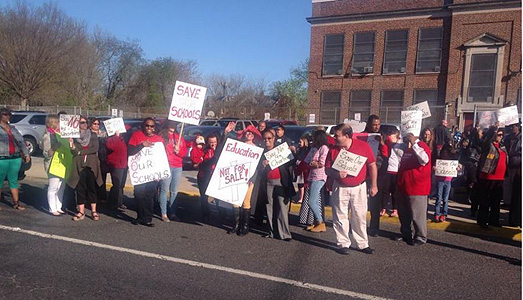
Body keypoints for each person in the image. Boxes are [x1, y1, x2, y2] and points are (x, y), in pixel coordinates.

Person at [325, 123, 377, 255]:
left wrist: (374, 184)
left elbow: (372, 165)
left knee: (359, 215)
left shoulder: (363, 147)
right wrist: (336, 174)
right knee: (340, 215)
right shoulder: (333, 150)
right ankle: (343, 243)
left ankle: (362, 244)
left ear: (346, 136)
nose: (334, 138)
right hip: (340, 187)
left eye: (337, 135)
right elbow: (327, 169)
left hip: (359, 187)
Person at [395, 132, 432, 246]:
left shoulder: (421, 146)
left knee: (417, 214)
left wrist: (414, 144)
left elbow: (424, 159)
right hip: (403, 186)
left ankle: (420, 236)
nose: (408, 137)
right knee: (404, 213)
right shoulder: (407, 149)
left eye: (410, 135)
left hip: (417, 187)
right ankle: (406, 233)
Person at [259, 129, 296, 241]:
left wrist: (293, 152)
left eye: (269, 138)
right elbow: (257, 169)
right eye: (265, 138)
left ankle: (285, 234)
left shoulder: (280, 150)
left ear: (274, 139)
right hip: (267, 182)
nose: (267, 140)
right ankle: (271, 232)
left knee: (282, 208)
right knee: (268, 207)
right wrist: (262, 164)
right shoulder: (261, 152)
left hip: (280, 181)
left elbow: (291, 162)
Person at [127, 118, 164, 227]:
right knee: (138, 194)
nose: (149, 128)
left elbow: (161, 158)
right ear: (143, 126)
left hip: (152, 173)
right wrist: (141, 145)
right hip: (140, 173)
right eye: (147, 125)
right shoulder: (136, 135)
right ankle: (139, 216)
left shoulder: (158, 139)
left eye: (152, 126)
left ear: (154, 128)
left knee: (149, 196)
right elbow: (130, 151)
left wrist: (159, 173)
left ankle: (147, 218)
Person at [68, 116, 103, 221]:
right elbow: (74, 152)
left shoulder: (92, 135)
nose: (83, 124)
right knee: (80, 188)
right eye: (81, 123)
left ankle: (94, 211)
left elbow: (95, 148)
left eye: (85, 122)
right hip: (79, 164)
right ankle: (81, 211)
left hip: (91, 164)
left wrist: (80, 152)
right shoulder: (74, 136)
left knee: (92, 187)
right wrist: (71, 144)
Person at [229, 124, 262, 236]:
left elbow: (257, 166)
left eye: (251, 133)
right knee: (235, 201)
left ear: (254, 136)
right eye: (247, 132)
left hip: (249, 179)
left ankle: (245, 226)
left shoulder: (257, 149)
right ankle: (236, 225)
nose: (249, 134)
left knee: (246, 201)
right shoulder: (238, 146)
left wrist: (252, 178)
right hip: (237, 177)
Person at [476, 125, 508, 228]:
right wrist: (494, 128)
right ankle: (482, 220)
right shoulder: (488, 145)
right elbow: (486, 139)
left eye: (502, 135)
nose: (501, 137)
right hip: (488, 177)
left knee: (496, 201)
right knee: (485, 200)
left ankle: (494, 220)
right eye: (499, 135)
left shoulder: (502, 146)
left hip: (500, 178)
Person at [0, 107, 30, 210]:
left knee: (13, 181)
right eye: (5, 114)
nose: (8, 116)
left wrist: (26, 154)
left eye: (9, 114)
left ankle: (16, 203)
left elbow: (21, 141)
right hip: (2, 158)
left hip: (15, 158)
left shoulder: (12, 128)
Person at [364, 115, 389, 236]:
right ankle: (360, 226)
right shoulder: (363, 135)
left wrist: (382, 143)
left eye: (378, 124)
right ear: (369, 124)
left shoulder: (383, 136)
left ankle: (374, 227)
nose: (376, 127)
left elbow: (386, 155)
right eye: (374, 124)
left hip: (378, 174)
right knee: (361, 202)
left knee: (375, 203)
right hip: (363, 173)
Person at [158, 120, 187, 222]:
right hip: (166, 166)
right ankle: (164, 213)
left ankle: (172, 212)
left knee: (174, 191)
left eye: (173, 129)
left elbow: (184, 152)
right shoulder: (161, 138)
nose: (172, 131)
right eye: (170, 130)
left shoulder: (179, 138)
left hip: (178, 166)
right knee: (164, 190)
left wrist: (179, 151)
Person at [42, 114, 70, 216]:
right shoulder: (48, 135)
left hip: (62, 164)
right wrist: (54, 148)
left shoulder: (60, 134)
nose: (59, 124)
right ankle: (52, 208)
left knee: (61, 187)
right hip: (52, 165)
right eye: (57, 122)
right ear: (51, 123)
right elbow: (46, 153)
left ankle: (59, 206)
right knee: (53, 187)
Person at [303, 130, 329, 232]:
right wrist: (313, 163)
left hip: (320, 176)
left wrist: (314, 163)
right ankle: (316, 222)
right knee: (315, 200)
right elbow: (307, 160)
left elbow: (321, 163)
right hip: (312, 175)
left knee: (311, 201)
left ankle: (321, 222)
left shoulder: (324, 148)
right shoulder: (314, 148)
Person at [433, 144, 460, 223]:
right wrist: (434, 168)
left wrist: (457, 169)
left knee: (445, 199)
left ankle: (444, 214)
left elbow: (457, 171)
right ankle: (437, 214)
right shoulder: (438, 161)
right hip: (440, 181)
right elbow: (434, 169)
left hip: (448, 180)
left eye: (446, 153)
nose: (445, 155)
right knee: (438, 197)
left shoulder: (452, 162)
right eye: (443, 153)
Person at [196, 133, 220, 221]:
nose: (213, 144)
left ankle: (221, 214)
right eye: (211, 142)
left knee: (218, 196)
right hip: (204, 176)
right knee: (204, 196)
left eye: (215, 142)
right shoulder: (203, 150)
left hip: (215, 176)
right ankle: (205, 214)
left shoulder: (219, 150)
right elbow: (199, 163)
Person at [384, 128, 405, 217]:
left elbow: (402, 156)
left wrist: (394, 146)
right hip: (388, 169)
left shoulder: (401, 145)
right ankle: (383, 207)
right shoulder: (387, 144)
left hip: (397, 170)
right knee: (385, 190)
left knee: (395, 191)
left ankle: (395, 209)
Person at [105, 130, 128, 210]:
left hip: (124, 164)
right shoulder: (110, 139)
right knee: (116, 185)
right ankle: (112, 203)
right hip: (116, 165)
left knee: (121, 185)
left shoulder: (123, 138)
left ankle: (119, 202)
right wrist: (116, 136)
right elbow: (111, 146)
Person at [90, 118, 109, 204]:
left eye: (98, 124)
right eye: (95, 124)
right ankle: (91, 197)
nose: (97, 126)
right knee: (91, 179)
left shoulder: (104, 134)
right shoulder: (87, 134)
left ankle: (102, 197)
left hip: (102, 159)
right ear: (91, 124)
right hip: (92, 159)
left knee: (102, 178)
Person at [506, 124, 521, 227]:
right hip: (513, 169)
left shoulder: (520, 139)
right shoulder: (510, 138)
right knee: (515, 195)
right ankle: (514, 219)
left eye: (514, 127)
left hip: (519, 169)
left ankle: (516, 220)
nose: (512, 129)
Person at [422, 127, 437, 199]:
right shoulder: (420, 143)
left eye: (428, 134)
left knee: (430, 183)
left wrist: (434, 165)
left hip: (430, 167)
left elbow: (435, 156)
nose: (427, 136)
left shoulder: (433, 144)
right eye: (425, 134)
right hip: (422, 167)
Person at [294, 135, 310, 204]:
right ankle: (301, 196)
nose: (299, 143)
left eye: (300, 142)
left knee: (302, 183)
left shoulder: (306, 150)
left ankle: (302, 197)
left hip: (303, 168)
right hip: (299, 168)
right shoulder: (299, 149)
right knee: (299, 183)